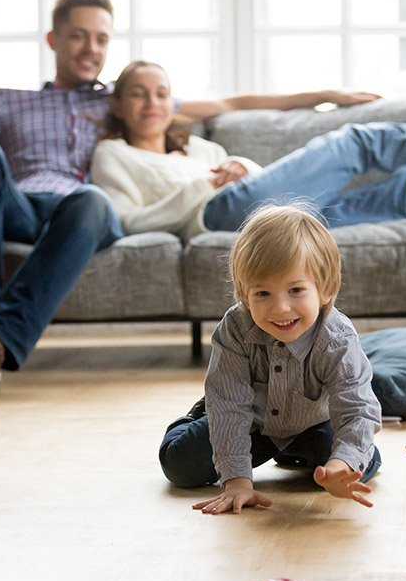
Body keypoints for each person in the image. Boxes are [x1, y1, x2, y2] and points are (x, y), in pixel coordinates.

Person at [0, 0, 378, 402]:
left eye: (102, 38)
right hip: (19, 205)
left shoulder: (119, 100)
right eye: (79, 36)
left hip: (83, 214)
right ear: (54, 40)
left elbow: (232, 102)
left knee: (90, 200)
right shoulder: (6, 99)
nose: (91, 48)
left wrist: (324, 94)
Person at [90, 60, 406, 240]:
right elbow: (125, 222)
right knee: (355, 142)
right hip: (218, 218)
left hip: (275, 221)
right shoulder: (114, 155)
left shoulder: (201, 148)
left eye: (161, 93)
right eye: (138, 94)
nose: (152, 104)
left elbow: (267, 187)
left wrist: (241, 166)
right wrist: (202, 187)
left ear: (173, 103)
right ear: (117, 103)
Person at [158, 204, 382, 514]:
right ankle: (199, 413)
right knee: (180, 465)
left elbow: (357, 409)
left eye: (295, 290)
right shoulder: (236, 328)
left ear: (326, 289)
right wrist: (236, 480)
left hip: (313, 423)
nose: (280, 308)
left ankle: (299, 452)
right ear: (243, 294)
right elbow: (230, 407)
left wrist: (340, 464)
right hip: (250, 422)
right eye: (262, 293)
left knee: (360, 464)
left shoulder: (337, 338)